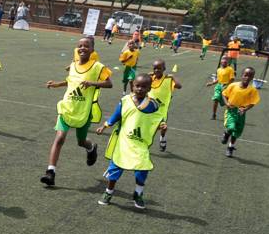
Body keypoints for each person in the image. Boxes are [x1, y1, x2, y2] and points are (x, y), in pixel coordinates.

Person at [40, 37, 113, 187]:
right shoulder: (73, 65)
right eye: (80, 46)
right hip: (67, 107)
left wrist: (92, 83)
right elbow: (71, 81)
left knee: (81, 141)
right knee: (59, 138)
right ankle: (50, 172)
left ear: (92, 49)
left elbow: (109, 83)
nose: (82, 48)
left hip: (83, 111)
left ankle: (91, 147)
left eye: (86, 46)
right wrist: (56, 84)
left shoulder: (98, 67)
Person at [95, 73, 160, 210]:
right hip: (124, 141)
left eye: (144, 86)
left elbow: (157, 120)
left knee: (142, 169)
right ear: (133, 86)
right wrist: (105, 125)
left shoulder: (153, 105)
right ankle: (108, 193)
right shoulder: (125, 100)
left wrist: (162, 125)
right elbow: (116, 115)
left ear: (149, 88)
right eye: (137, 86)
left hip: (140, 143)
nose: (140, 89)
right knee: (116, 167)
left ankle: (138, 194)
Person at [221, 66, 260, 158]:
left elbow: (253, 102)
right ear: (242, 75)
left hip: (241, 112)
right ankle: (226, 134)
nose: (247, 77)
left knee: (237, 131)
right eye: (245, 75)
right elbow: (224, 94)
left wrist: (245, 109)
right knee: (231, 127)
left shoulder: (252, 90)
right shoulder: (233, 85)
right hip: (231, 110)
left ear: (252, 78)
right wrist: (227, 103)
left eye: (250, 76)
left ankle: (230, 147)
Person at [149, 58, 182, 151]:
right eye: (154, 68)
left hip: (161, 111)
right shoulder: (151, 78)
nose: (156, 70)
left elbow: (179, 86)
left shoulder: (168, 80)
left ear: (164, 69)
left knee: (162, 128)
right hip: (149, 108)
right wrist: (147, 75)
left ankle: (162, 137)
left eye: (159, 68)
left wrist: (173, 77)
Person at [206, 54, 235, 120]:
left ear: (228, 61)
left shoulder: (230, 69)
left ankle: (229, 116)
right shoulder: (218, 69)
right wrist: (211, 83)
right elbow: (218, 79)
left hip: (226, 86)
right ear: (221, 61)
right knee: (215, 99)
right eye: (223, 59)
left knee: (227, 103)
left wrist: (226, 85)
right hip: (219, 86)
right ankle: (214, 114)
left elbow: (232, 79)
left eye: (226, 59)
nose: (224, 60)